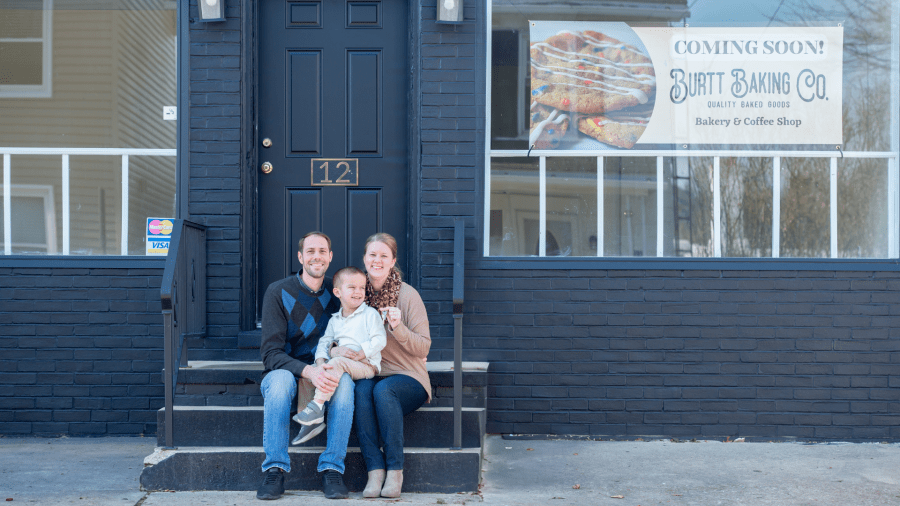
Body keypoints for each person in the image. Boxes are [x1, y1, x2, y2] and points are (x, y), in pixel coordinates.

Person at [256, 232, 353, 501]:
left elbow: (353, 336)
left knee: (344, 384)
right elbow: (270, 354)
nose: (316, 256)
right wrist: (308, 371)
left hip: (327, 368)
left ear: (330, 257)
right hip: (287, 370)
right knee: (278, 384)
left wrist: (332, 359)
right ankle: (275, 469)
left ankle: (332, 469)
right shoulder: (278, 291)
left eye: (322, 251)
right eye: (310, 251)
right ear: (300, 257)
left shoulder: (338, 292)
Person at [354, 233, 432, 498]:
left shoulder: (408, 296)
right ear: (364, 258)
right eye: (372, 255)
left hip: (408, 376)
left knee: (382, 391)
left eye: (383, 256)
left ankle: (395, 471)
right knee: (362, 391)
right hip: (371, 371)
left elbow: (423, 347)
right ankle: (374, 471)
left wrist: (398, 328)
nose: (377, 260)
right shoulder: (355, 293)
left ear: (393, 261)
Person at [293, 266, 386, 426]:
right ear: (337, 293)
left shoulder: (370, 314)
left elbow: (379, 340)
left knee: (336, 363)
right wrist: (321, 362)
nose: (358, 292)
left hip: (366, 365)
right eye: (352, 287)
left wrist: (360, 354)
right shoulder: (335, 320)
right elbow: (325, 342)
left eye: (362, 288)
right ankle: (307, 420)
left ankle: (318, 404)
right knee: (310, 372)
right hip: (343, 363)